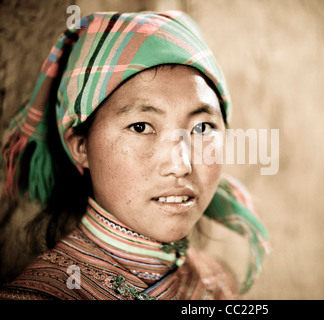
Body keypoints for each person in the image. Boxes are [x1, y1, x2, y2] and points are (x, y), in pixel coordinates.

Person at [0, 10, 269, 300]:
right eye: (141, 127)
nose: (181, 165)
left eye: (202, 127)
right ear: (81, 147)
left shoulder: (215, 283)